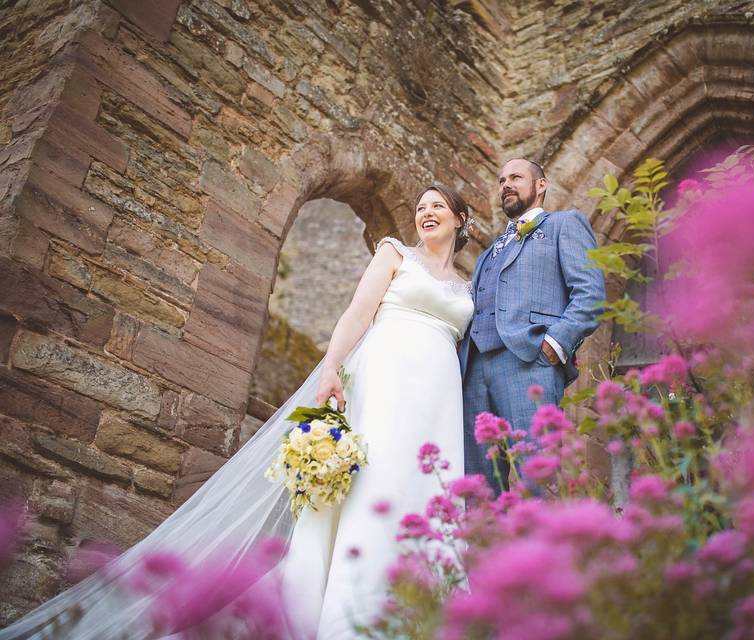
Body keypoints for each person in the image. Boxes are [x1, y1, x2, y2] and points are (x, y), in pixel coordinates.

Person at [0, 184, 474, 640]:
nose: (424, 213)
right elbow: (356, 312)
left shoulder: (467, 286)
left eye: (436, 206)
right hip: (386, 380)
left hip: (439, 397)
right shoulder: (394, 253)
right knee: (378, 479)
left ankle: (423, 606)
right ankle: (346, 613)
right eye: (419, 207)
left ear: (460, 219)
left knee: (427, 485)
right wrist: (331, 368)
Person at [460, 158, 606, 491]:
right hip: (474, 373)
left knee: (540, 480)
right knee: (479, 488)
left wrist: (553, 346)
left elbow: (590, 294)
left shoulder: (564, 224)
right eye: (500, 181)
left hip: (529, 364)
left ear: (541, 185)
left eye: (515, 177)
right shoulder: (488, 253)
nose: (506, 185)